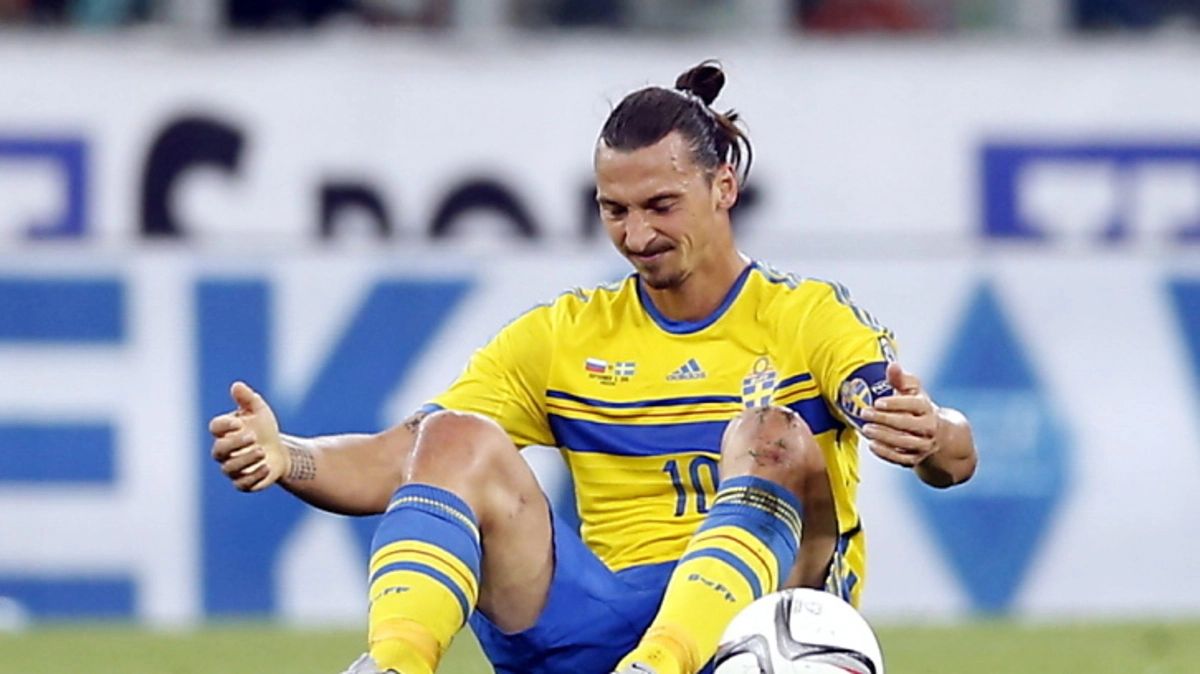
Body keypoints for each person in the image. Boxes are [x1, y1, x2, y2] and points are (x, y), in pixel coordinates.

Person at [209, 61, 977, 674]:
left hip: (755, 631)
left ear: (724, 187)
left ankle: (662, 665)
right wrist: (287, 456)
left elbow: (950, 452)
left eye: (661, 205)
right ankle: (395, 664)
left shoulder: (807, 317)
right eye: (615, 210)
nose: (637, 235)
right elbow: (397, 461)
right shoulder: (565, 336)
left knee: (771, 435)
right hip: (602, 627)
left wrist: (931, 433)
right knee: (452, 437)